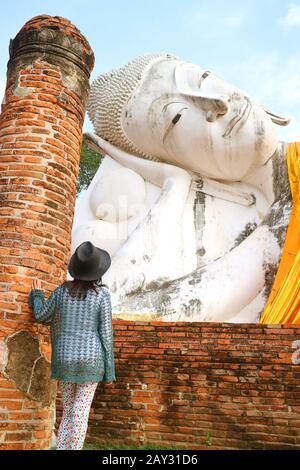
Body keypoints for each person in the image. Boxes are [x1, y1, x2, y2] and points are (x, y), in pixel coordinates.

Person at [28, 241, 115, 450]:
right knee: (80, 412)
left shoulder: (61, 292)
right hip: (91, 362)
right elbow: (106, 333)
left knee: (69, 411)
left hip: (65, 360)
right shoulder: (101, 295)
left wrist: (37, 295)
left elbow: (41, 315)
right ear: (97, 272)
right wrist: (109, 370)